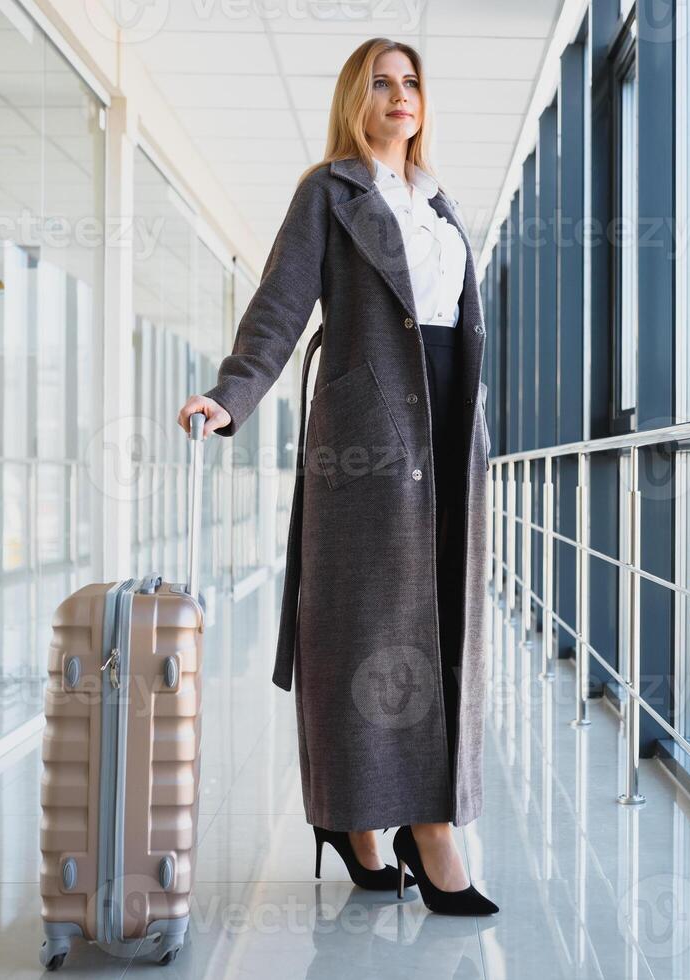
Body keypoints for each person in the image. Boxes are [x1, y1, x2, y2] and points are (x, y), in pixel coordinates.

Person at [177, 37, 497, 917]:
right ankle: (387, 824)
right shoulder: (330, 191)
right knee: (361, 633)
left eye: (411, 82)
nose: (400, 96)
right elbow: (279, 307)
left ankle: (420, 819)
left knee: (446, 627)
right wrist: (229, 396)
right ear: (356, 100)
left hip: (450, 429)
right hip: (367, 436)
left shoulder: (441, 204)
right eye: (381, 83)